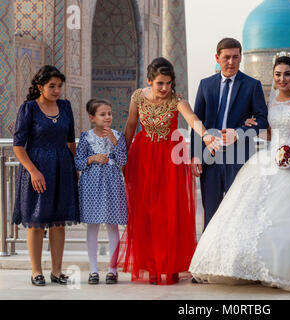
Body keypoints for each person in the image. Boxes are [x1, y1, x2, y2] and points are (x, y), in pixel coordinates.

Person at [189, 54, 290, 292]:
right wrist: (251, 128)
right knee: (251, 213)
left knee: (285, 217)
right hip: (270, 157)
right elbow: (268, 132)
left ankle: (283, 269)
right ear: (273, 77)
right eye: (278, 75)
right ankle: (251, 266)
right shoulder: (272, 101)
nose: (282, 79)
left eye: (287, 74)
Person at [117, 57, 221, 285]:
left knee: (168, 212)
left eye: (169, 83)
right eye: (160, 83)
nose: (165, 89)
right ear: (149, 81)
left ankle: (170, 266)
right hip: (142, 157)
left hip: (169, 158)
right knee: (146, 212)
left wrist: (205, 134)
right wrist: (122, 160)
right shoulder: (137, 97)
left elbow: (192, 118)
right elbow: (130, 128)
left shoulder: (177, 99)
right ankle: (152, 266)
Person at [190, 38, 268, 229]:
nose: (231, 62)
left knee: (239, 212)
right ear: (217, 58)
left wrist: (240, 132)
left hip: (239, 159)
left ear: (241, 57)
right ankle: (209, 257)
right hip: (211, 159)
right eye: (226, 57)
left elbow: (262, 120)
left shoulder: (252, 85)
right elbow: (196, 121)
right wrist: (195, 155)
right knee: (211, 213)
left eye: (235, 57)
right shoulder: (205, 85)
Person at [12, 65, 80, 286]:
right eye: (52, 86)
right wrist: (33, 171)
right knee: (37, 222)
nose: (56, 90)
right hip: (37, 170)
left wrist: (77, 167)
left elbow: (71, 141)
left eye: (59, 86)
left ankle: (57, 271)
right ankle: (36, 271)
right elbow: (18, 145)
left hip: (63, 168)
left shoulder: (66, 107)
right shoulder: (29, 108)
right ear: (40, 86)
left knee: (59, 222)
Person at [74, 99, 127, 285]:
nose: (107, 117)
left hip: (112, 184)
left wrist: (114, 141)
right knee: (93, 226)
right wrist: (93, 158)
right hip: (91, 185)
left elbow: (122, 160)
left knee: (113, 226)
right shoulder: (86, 137)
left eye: (109, 114)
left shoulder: (118, 136)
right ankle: (94, 270)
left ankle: (112, 270)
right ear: (92, 117)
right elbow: (78, 162)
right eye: (102, 114)